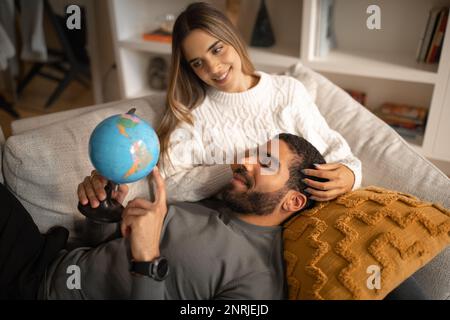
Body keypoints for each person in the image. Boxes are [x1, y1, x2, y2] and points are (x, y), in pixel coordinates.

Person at [0, 133, 326, 300]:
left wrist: (147, 260)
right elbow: (104, 250)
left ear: (293, 201)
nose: (245, 160)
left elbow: (140, 263)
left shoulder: (258, 281)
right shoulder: (215, 204)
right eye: (253, 152)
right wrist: (104, 213)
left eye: (266, 162)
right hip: (46, 258)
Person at [157, 2, 362, 204]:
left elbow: (341, 155)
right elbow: (169, 187)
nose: (214, 67)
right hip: (238, 225)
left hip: (300, 213)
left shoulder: (288, 91)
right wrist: (232, 168)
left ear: (234, 39)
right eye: (198, 63)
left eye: (217, 49)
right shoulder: (191, 113)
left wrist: (351, 175)